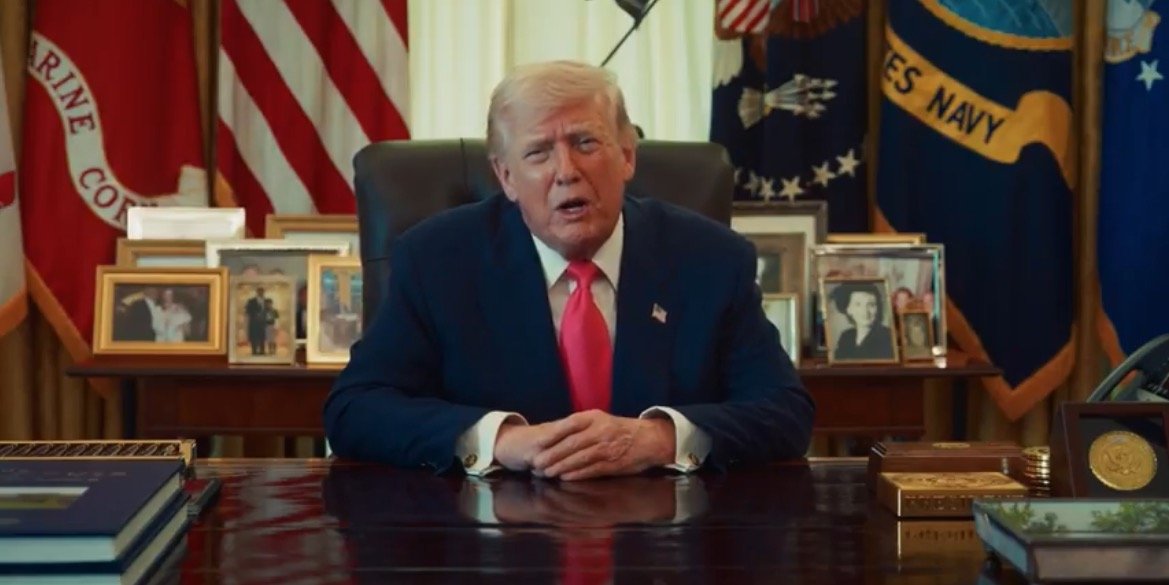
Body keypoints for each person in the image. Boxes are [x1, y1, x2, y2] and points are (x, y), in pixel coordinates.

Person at [324, 60, 814, 480]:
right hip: (491, 543)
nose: (566, 171)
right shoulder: (437, 260)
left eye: (585, 142)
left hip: (666, 541)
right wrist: (499, 440)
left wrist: (660, 437)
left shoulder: (710, 258)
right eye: (538, 152)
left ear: (626, 156)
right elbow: (355, 409)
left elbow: (786, 412)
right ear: (506, 176)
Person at [829, 281, 895, 361]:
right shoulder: (846, 337)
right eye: (858, 304)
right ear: (848, 309)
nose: (865, 311)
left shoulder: (888, 336)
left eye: (871, 305)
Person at [245, 287, 267, 355]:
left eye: (262, 291)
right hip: (254, 322)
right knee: (254, 336)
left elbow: (268, 311)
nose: (261, 293)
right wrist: (255, 314)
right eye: (259, 291)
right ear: (257, 292)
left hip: (263, 322)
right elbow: (247, 310)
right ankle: (254, 351)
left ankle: (262, 351)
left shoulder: (266, 301)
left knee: (262, 336)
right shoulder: (251, 301)